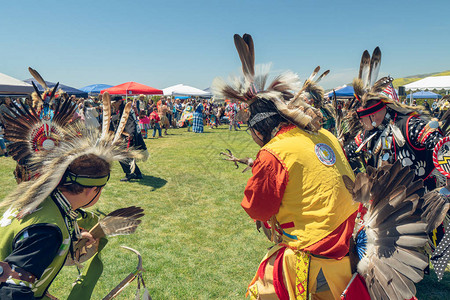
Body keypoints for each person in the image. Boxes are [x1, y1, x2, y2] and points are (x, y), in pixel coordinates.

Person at [213, 34, 359, 299]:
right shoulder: (324, 134)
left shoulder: (274, 152)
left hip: (313, 253)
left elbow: (258, 207)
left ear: (260, 128)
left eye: (251, 131)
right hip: (348, 244)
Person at [0, 90, 142, 299]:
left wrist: (75, 235)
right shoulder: (48, 231)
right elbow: (11, 291)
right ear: (94, 189)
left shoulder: (39, 201)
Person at [111, 98, 146, 182]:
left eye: (114, 103)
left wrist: (130, 134)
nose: (113, 105)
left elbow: (131, 122)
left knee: (122, 156)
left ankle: (129, 174)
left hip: (127, 137)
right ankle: (137, 174)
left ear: (119, 102)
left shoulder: (126, 111)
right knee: (127, 157)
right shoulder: (117, 110)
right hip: (121, 137)